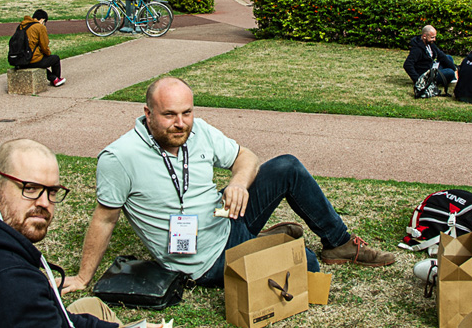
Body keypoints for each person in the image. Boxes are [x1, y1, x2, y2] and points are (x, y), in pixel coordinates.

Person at [62, 77, 395, 293]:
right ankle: (267, 240)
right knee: (305, 262)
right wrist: (82, 276)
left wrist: (238, 182)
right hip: (202, 259)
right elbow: (104, 218)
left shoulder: (199, 130)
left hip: (224, 218)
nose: (181, 123)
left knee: (287, 166)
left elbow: (245, 157)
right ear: (147, 113)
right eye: (169, 115)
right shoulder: (120, 157)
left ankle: (338, 243)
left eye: (187, 112)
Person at [0, 139, 121, 327]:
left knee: (91, 306)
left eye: (52, 192)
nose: (44, 203)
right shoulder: (9, 281)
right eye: (30, 188)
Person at [403, 25, 457, 99]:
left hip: (432, 67)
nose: (434, 39)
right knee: (449, 72)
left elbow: (441, 55)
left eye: (434, 37)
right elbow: (407, 65)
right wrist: (418, 80)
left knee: (448, 57)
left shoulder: (430, 44)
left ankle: (453, 76)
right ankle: (452, 76)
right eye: (432, 37)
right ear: (424, 36)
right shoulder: (417, 49)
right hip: (426, 75)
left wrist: (455, 68)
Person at [19, 9, 66, 87]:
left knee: (38, 61)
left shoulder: (22, 25)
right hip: (30, 59)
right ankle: (56, 79)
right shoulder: (39, 27)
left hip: (19, 60)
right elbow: (44, 46)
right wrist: (48, 54)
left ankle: (53, 78)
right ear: (42, 19)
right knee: (54, 59)